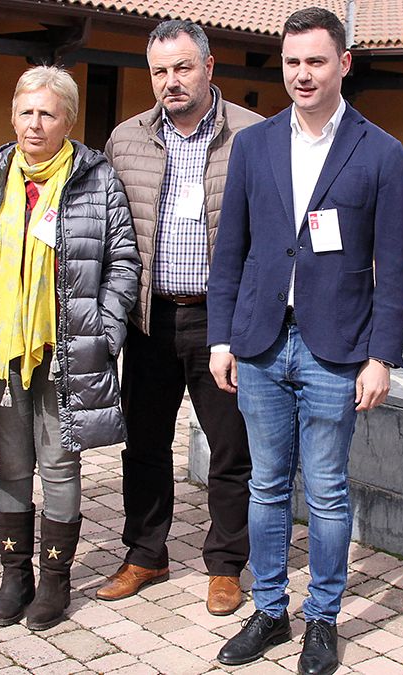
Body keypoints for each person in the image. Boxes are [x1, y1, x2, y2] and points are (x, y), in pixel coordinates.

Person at [207, 7, 403, 674]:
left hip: (337, 347)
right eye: (293, 61)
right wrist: (222, 337)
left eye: (317, 61)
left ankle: (321, 618)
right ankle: (270, 609)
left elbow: (396, 266)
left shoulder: (381, 152)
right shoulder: (255, 145)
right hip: (261, 344)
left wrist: (381, 354)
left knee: (325, 490)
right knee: (266, 485)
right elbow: (230, 251)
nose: (303, 73)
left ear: (344, 63)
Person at [0, 65, 139, 631]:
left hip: (64, 350)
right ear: (12, 114)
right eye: (26, 111)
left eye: (48, 113)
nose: (35, 123)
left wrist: (103, 330)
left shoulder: (96, 181)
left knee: (57, 465)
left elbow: (122, 264)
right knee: (11, 464)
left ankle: (54, 580)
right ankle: (14, 575)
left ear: (68, 120)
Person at [99, 19, 262, 615]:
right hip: (149, 321)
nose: (171, 81)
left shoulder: (253, 135)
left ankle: (225, 565)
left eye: (183, 67)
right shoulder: (126, 139)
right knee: (143, 444)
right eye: (160, 71)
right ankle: (146, 552)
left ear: (210, 68)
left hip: (223, 327)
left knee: (229, 449)